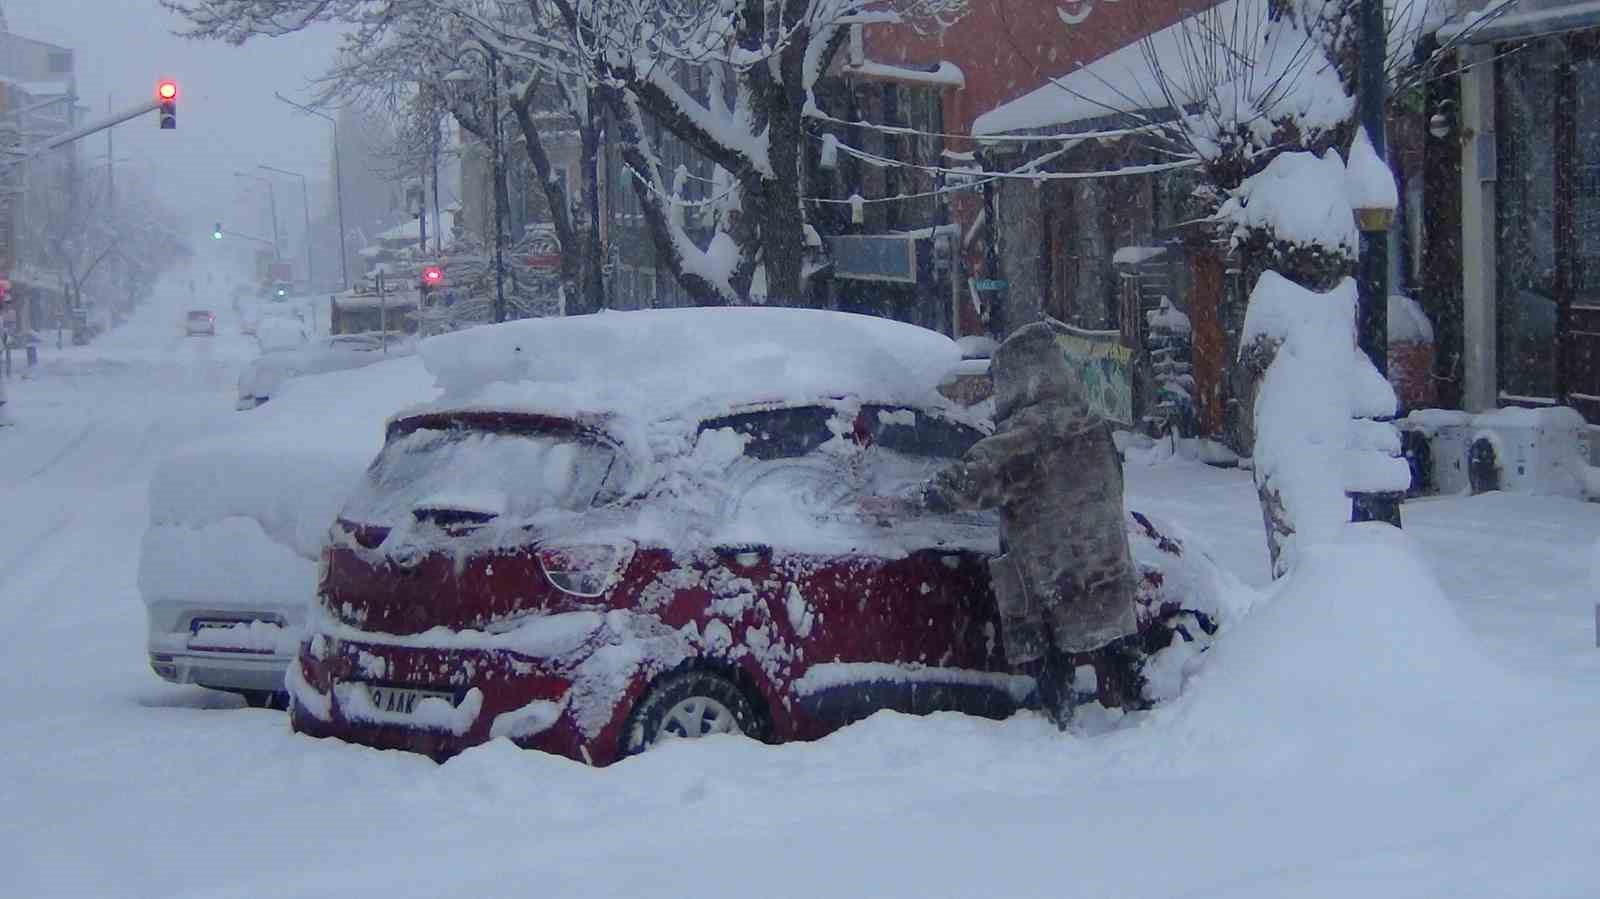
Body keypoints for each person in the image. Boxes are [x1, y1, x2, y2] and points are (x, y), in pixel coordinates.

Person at [924, 321, 1142, 728]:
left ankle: (1058, 733)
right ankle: (1146, 723)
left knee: (1054, 682)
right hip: (1108, 572)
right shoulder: (1092, 423)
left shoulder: (1027, 433)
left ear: (1017, 377)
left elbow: (969, 482)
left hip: (1052, 584)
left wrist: (917, 499)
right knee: (1125, 666)